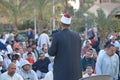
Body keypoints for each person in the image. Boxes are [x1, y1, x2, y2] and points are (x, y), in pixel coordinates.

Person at [48, 13, 82, 80]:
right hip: (76, 72)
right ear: (69, 24)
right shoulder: (77, 35)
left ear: (61, 23)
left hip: (62, 72)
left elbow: (51, 52)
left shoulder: (57, 36)